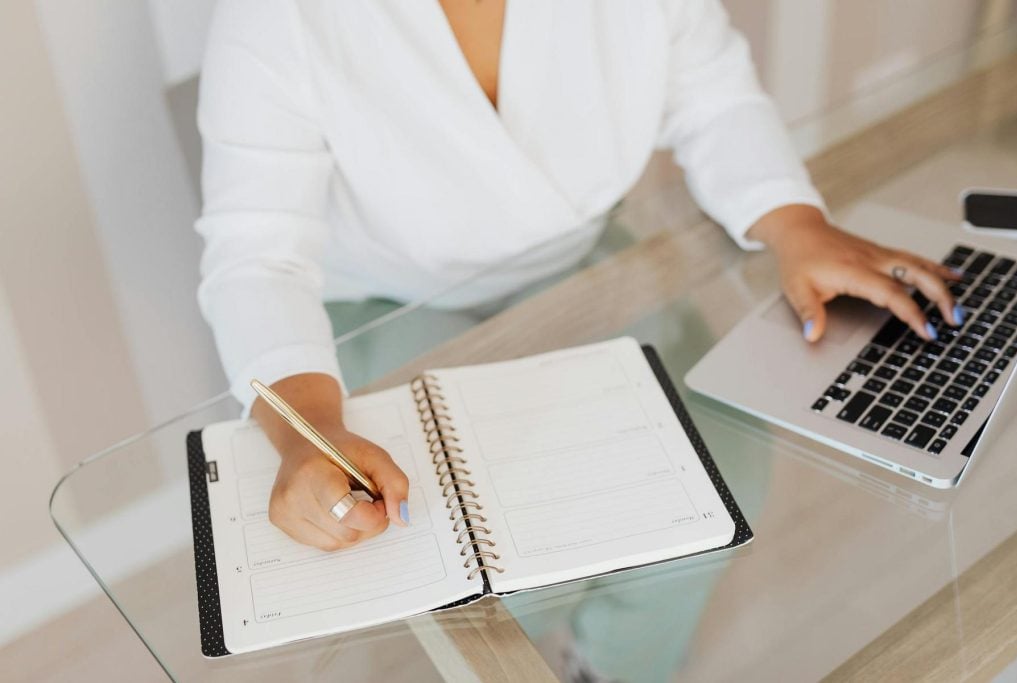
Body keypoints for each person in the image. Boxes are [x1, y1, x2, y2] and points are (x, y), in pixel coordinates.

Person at [195, 0, 962, 552]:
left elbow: (712, 95)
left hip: (580, 262)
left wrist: (794, 221)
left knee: (722, 473)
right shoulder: (273, 17)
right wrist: (309, 432)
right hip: (380, 302)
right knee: (484, 526)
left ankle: (616, 661)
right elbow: (260, 254)